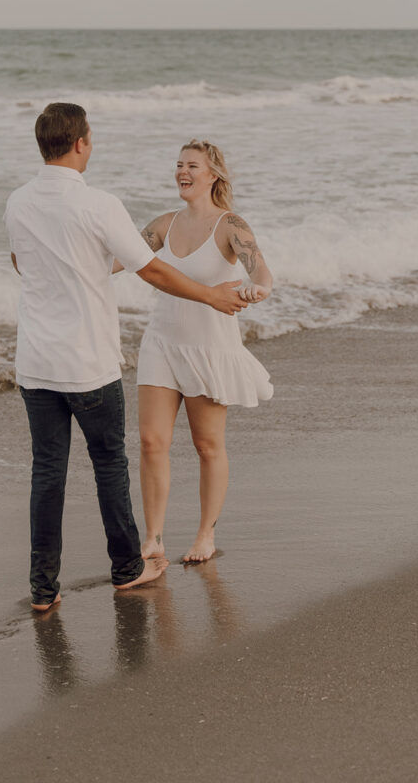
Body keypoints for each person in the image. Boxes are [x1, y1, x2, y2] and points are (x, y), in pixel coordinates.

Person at [5, 106, 247, 612]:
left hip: (34, 362)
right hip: (88, 363)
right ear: (79, 144)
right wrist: (211, 297)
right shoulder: (99, 204)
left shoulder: (17, 202)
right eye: (89, 138)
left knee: (47, 472)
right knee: (108, 464)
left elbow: (20, 263)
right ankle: (127, 569)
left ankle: (43, 590)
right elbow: (152, 271)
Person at [133, 139, 273, 563]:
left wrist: (259, 288)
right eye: (178, 165)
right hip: (160, 342)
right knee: (151, 441)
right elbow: (118, 258)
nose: (183, 171)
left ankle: (205, 535)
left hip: (208, 347)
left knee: (207, 445)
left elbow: (260, 269)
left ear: (213, 175)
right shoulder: (164, 224)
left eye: (192, 165)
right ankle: (153, 538)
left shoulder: (230, 225)